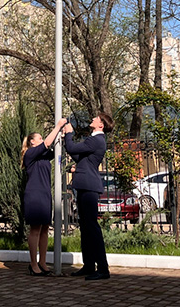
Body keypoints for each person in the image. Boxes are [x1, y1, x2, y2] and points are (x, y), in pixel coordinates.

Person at [63, 112, 113, 280]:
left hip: (89, 187)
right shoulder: (93, 141)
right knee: (85, 226)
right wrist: (66, 140)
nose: (93, 118)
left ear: (101, 125)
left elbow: (72, 148)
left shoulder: (96, 140)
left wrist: (69, 133)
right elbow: (78, 157)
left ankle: (103, 268)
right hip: (85, 185)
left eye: (96, 118)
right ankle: (89, 265)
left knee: (91, 227)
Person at [22, 118, 66, 275]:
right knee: (35, 229)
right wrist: (58, 126)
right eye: (38, 138)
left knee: (45, 228)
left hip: (45, 193)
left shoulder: (44, 155)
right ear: (32, 142)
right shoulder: (30, 154)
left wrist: (63, 135)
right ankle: (33, 264)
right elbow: (47, 143)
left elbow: (53, 148)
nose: (41, 140)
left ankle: (43, 262)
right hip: (34, 195)